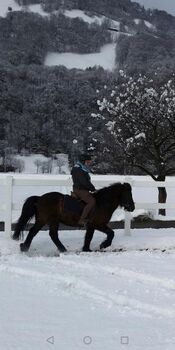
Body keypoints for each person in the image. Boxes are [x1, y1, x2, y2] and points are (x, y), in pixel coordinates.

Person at [71, 153, 96, 226]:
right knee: (91, 201)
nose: (89, 163)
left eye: (89, 162)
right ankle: (81, 220)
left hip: (82, 189)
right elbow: (84, 182)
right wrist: (92, 188)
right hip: (80, 190)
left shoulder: (81, 168)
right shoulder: (77, 169)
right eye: (87, 162)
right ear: (83, 161)